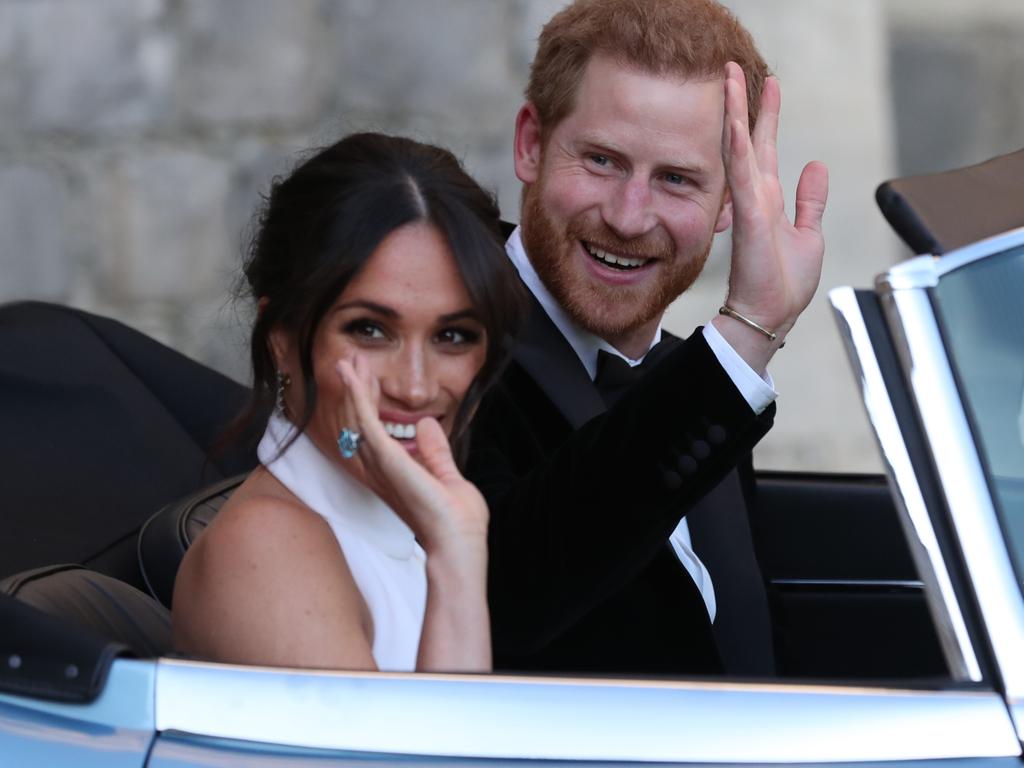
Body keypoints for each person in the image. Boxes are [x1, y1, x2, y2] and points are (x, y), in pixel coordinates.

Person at [466, 0, 829, 675]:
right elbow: (506, 597)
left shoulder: (694, 378)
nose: (630, 218)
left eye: (676, 180)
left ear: (728, 205)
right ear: (530, 145)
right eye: (602, 160)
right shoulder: (447, 349)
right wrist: (747, 333)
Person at [172, 133, 526, 672]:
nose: (414, 386)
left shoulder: (396, 525)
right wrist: (456, 558)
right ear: (282, 340)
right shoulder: (266, 549)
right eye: (369, 330)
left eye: (452, 336)